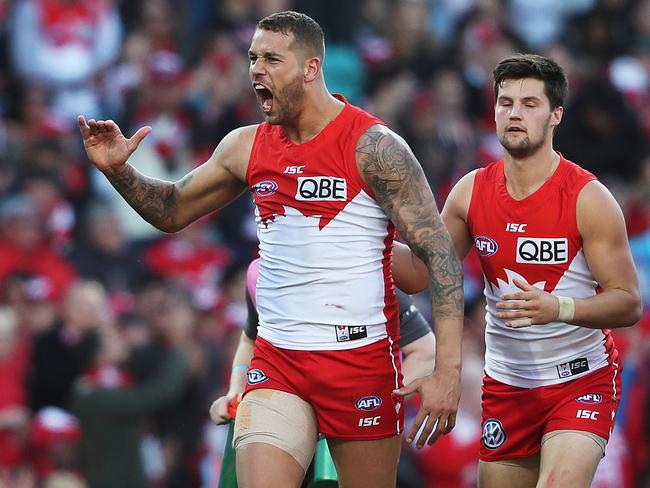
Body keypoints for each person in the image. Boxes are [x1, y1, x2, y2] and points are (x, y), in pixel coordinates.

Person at [77, 10, 464, 488]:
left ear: (310, 68)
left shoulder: (375, 148)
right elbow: (171, 210)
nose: (256, 69)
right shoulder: (246, 147)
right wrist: (119, 170)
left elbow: (441, 259)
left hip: (360, 362)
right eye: (252, 58)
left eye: (271, 59)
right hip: (278, 360)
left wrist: (447, 371)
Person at [393, 54, 642, 488]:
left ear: (555, 115)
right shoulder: (470, 192)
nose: (514, 113)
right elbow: (418, 273)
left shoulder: (589, 198)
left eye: (530, 104)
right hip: (508, 385)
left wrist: (558, 307)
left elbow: (628, 302)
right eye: (505, 102)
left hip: (579, 381)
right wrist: (360, 236)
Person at [209, 258, 437, 426]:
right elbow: (250, 338)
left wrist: (375, 405)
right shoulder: (259, 276)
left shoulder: (372, 279)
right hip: (288, 415)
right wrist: (235, 391)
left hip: (361, 426)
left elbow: (425, 351)